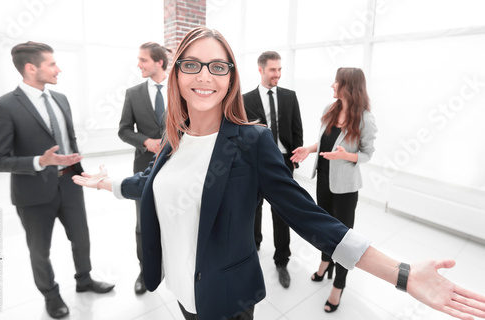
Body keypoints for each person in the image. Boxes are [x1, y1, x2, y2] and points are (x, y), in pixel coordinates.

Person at [72, 27, 485, 320]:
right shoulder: (174, 137)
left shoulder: (252, 142)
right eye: (192, 65)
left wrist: (402, 274)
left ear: (231, 78)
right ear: (176, 72)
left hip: (226, 300)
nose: (203, 76)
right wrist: (106, 183)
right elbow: (151, 185)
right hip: (181, 291)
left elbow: (308, 216)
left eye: (218, 67)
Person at [0, 41, 114, 319]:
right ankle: (51, 295)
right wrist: (39, 162)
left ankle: (84, 280)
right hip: (32, 191)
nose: (59, 69)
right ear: (31, 68)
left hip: (70, 184)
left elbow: (68, 141)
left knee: (81, 238)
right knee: (39, 250)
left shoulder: (61, 99)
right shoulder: (2, 107)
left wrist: (81, 172)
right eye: (52, 64)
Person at [291, 67, 377, 312]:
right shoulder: (330, 110)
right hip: (324, 181)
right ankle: (325, 262)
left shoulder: (365, 119)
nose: (332, 85)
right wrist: (309, 149)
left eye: (336, 82)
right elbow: (325, 140)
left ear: (348, 86)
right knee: (324, 229)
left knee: (344, 238)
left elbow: (367, 154)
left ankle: (339, 285)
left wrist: (346, 155)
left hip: (346, 187)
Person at [243, 51, 303, 288]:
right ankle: (254, 245)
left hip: (283, 162)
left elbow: (297, 128)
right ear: (260, 70)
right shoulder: (246, 99)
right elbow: (242, 134)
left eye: (279, 69)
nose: (277, 74)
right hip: (254, 163)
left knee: (282, 212)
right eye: (272, 70)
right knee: (253, 208)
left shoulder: (290, 97)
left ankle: (282, 261)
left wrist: (295, 158)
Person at [118, 41, 171, 294]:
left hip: (179, 165)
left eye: (143, 60)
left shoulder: (183, 88)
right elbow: (124, 130)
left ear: (159, 62)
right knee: (143, 223)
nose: (138, 64)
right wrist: (145, 142)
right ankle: (144, 270)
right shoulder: (133, 93)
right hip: (144, 167)